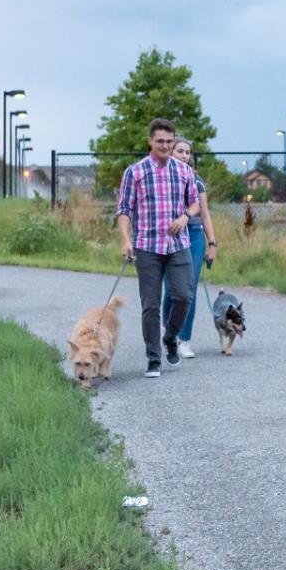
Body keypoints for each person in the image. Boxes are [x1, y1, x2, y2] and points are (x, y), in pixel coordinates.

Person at [116, 118, 203, 379]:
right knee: (150, 305)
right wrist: (124, 239)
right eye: (160, 141)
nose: (165, 145)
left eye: (169, 141)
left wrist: (185, 217)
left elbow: (195, 204)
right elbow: (124, 209)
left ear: (173, 141)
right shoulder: (136, 172)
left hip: (178, 245)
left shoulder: (184, 171)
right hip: (147, 246)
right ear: (150, 141)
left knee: (183, 295)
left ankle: (170, 337)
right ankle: (153, 358)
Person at [163, 138, 219, 358]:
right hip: (171, 235)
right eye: (180, 151)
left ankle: (184, 339)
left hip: (194, 236)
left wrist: (212, 243)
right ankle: (168, 331)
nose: (185, 155)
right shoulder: (162, 178)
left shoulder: (197, 181)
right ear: (170, 152)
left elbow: (205, 214)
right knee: (171, 290)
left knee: (189, 290)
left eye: (187, 152)